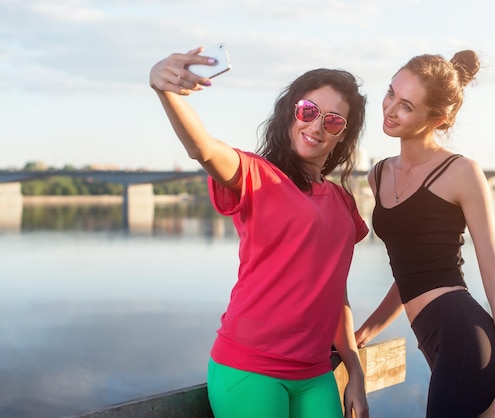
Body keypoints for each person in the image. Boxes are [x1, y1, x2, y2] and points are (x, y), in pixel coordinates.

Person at [149, 46, 370, 418]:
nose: (316, 126)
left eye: (332, 121)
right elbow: (202, 148)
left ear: (342, 137)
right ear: (291, 113)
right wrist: (164, 90)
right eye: (309, 111)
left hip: (316, 373)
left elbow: (336, 291)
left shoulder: (342, 202)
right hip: (250, 368)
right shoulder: (258, 176)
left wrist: (356, 372)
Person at [355, 50, 495, 418]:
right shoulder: (379, 174)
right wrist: (367, 330)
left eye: (406, 106)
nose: (389, 109)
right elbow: (410, 269)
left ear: (439, 119)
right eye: (390, 94)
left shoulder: (461, 172)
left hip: (463, 334)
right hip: (432, 339)